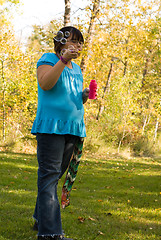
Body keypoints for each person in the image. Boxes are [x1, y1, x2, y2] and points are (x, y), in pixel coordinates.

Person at [31, 26, 89, 240]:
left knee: (53, 178)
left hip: (72, 128)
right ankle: (51, 233)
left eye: (80, 42)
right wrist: (62, 60)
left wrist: (83, 95)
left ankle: (41, 219)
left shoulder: (76, 69)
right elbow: (46, 84)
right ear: (61, 41)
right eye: (73, 41)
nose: (77, 45)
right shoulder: (48, 58)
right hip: (51, 127)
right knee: (49, 176)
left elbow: (69, 96)